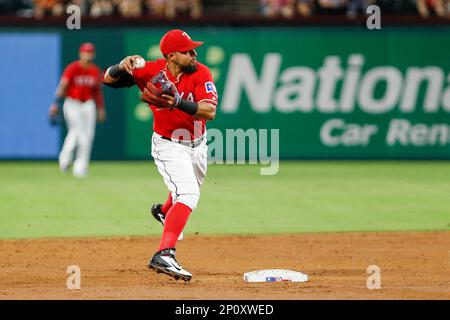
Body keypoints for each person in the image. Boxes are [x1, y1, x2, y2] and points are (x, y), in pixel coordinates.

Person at [102, 29, 218, 282]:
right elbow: (107, 80)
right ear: (172, 55)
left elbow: (208, 112)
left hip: (198, 145)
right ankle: (164, 253)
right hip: (168, 144)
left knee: (185, 190)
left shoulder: (201, 72)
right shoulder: (149, 71)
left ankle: (165, 211)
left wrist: (176, 102)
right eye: (188, 51)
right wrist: (120, 67)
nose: (194, 53)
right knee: (188, 194)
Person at [49, 42, 106, 178]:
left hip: (88, 104)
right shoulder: (73, 68)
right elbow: (63, 85)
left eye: (90, 52)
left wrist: (100, 108)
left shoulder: (95, 70)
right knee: (77, 131)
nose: (88, 55)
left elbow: (97, 92)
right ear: (81, 53)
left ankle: (80, 167)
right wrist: (56, 103)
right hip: (72, 103)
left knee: (88, 136)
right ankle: (65, 158)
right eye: (86, 52)